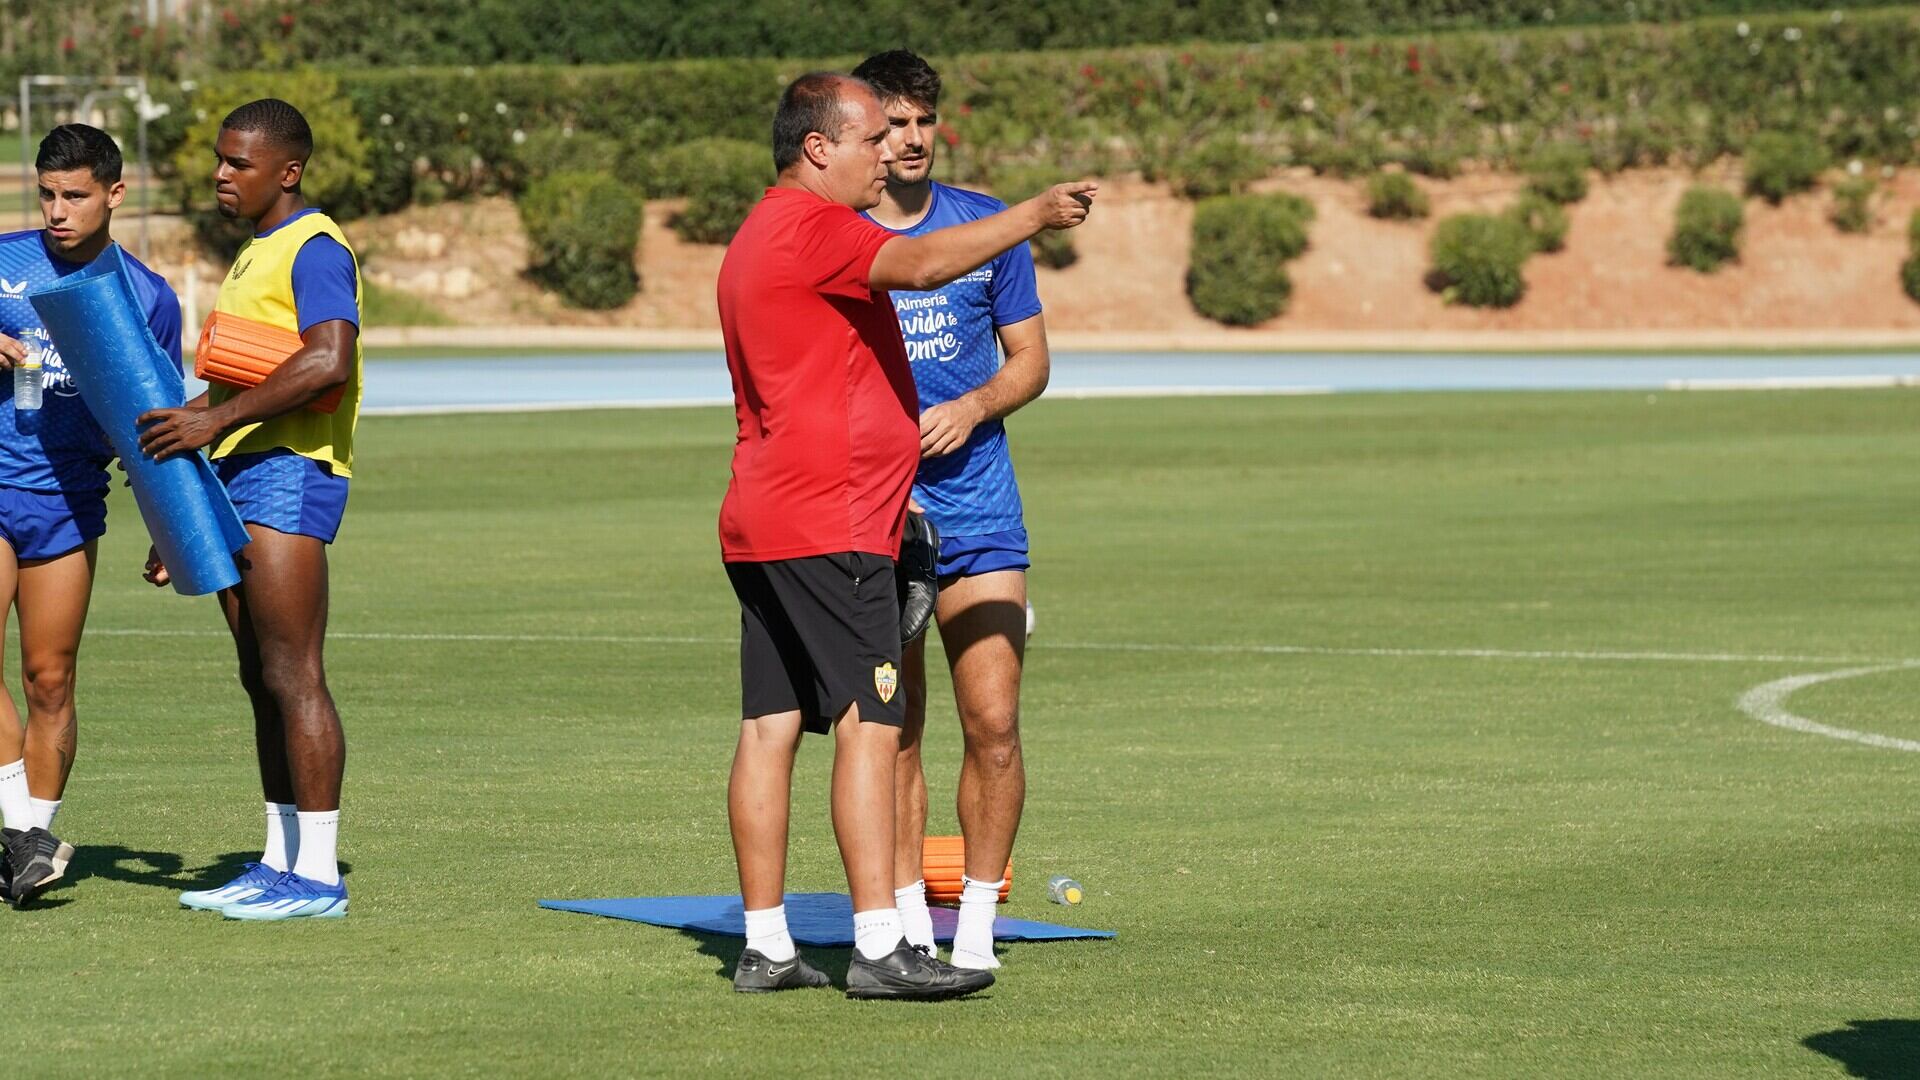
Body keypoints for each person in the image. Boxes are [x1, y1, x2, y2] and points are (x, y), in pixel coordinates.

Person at [717, 71, 1092, 998]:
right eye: (868, 140)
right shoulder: (817, 226)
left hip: (764, 517)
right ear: (818, 148)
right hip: (835, 521)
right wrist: (1036, 212)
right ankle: (883, 945)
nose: (885, 154)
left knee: (769, 727)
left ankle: (766, 945)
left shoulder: (755, 231)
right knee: (873, 722)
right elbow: (923, 265)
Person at [138, 99, 360, 921]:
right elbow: (244, 383)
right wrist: (182, 502)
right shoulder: (256, 253)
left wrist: (211, 419)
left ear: (288, 171)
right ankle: (277, 860)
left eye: (239, 163)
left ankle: (321, 876)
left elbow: (329, 359)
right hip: (239, 473)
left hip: (289, 471)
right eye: (222, 160)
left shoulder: (314, 246)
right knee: (259, 677)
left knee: (294, 673)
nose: (222, 175)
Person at [851, 49, 1046, 972]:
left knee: (995, 722)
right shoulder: (836, 234)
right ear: (865, 133)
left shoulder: (988, 228)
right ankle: (903, 924)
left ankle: (974, 924)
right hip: (876, 520)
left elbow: (1031, 362)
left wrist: (972, 408)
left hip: (980, 512)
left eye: (925, 119)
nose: (914, 137)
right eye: (894, 123)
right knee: (894, 728)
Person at [0, 125, 181, 907]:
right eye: (46, 194)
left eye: (74, 196)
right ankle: (19, 833)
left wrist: (170, 526)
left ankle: (30, 847)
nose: (57, 211)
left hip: (70, 501)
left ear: (114, 195)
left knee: (50, 677)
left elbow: (154, 424)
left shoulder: (148, 297)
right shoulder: (4, 261)